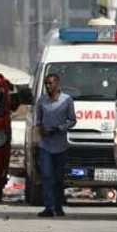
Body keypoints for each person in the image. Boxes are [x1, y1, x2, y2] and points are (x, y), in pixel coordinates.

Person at [34, 73, 76, 218]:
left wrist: (60, 128)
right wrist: (42, 131)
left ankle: (58, 206)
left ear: (57, 84)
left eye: (51, 83)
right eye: (46, 83)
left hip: (60, 146)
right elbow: (38, 121)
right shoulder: (42, 101)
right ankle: (48, 207)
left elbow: (72, 120)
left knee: (58, 178)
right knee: (46, 176)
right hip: (45, 145)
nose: (48, 86)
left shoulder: (67, 100)